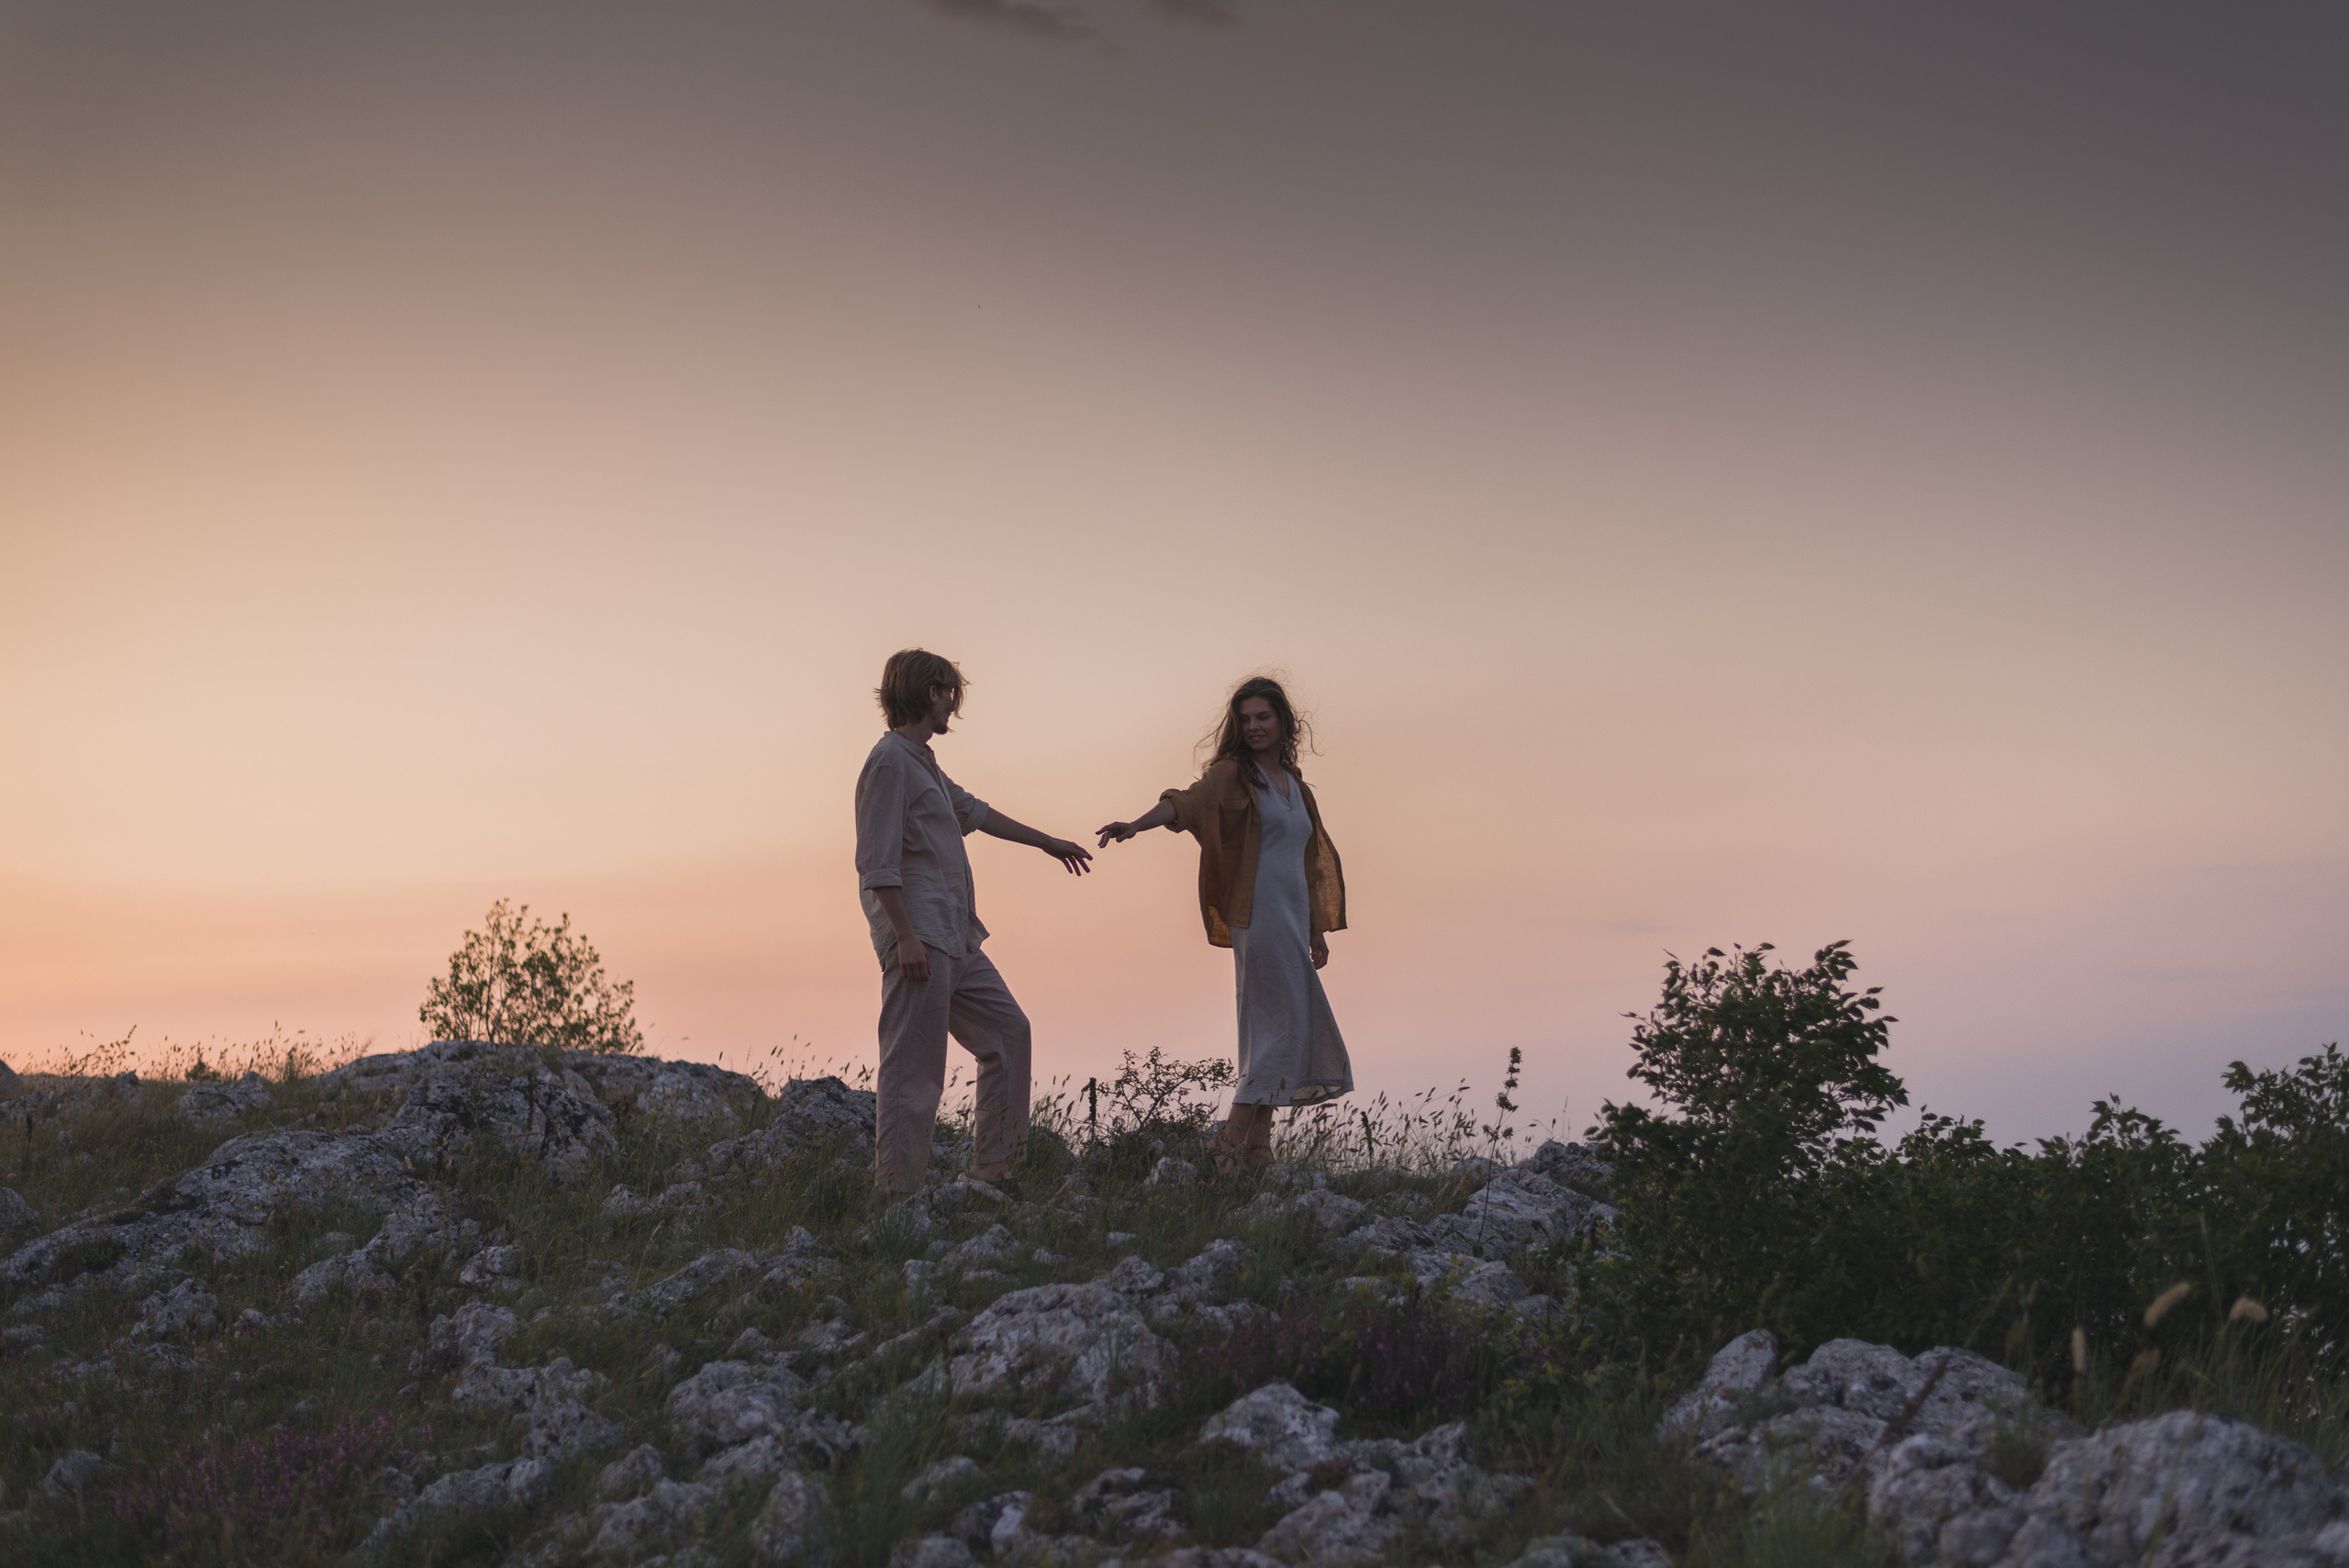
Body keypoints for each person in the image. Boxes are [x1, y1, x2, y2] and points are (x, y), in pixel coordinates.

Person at [855, 649, 1093, 1194]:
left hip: (956, 937)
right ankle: (896, 1193)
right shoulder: (890, 761)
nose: (952, 709)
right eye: (948, 695)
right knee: (913, 1067)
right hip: (919, 939)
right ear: (927, 691)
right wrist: (905, 937)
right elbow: (877, 860)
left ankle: (994, 1169)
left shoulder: (924, 763)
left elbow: (978, 814)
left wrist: (1049, 844)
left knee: (1009, 1033)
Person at [1096, 675, 1351, 1173]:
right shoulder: (1233, 774)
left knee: (1275, 1027)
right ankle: (1227, 1148)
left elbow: (1306, 861)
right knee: (1283, 1027)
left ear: (1283, 723)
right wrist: (1137, 824)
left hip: (1291, 919)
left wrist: (1316, 928)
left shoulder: (1295, 786)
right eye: (1246, 719)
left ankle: (1256, 1152)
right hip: (1255, 915)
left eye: (1263, 717)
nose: (1254, 726)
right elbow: (1186, 803)